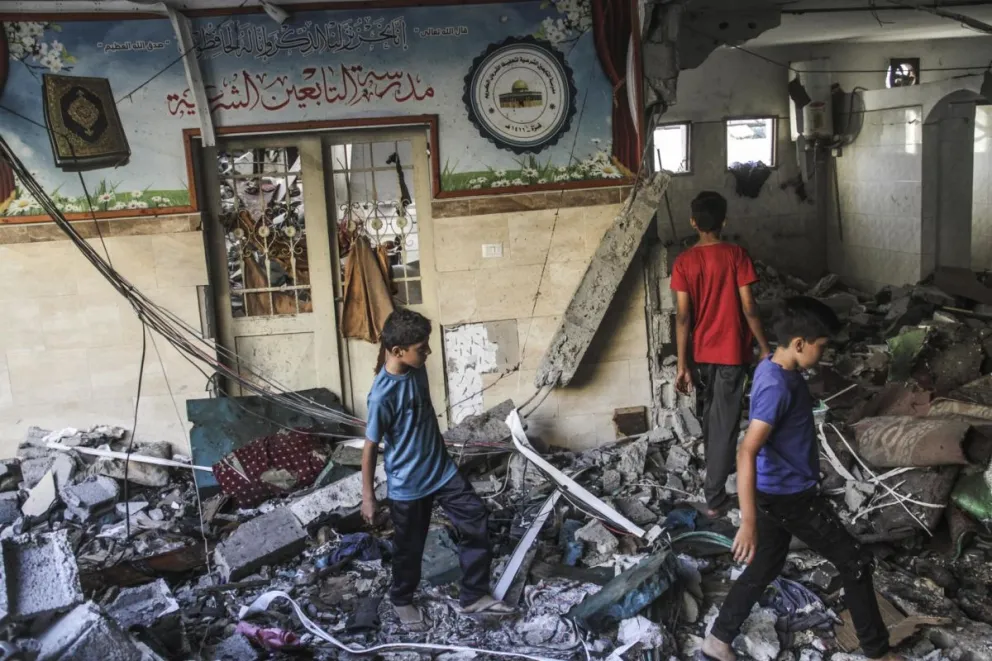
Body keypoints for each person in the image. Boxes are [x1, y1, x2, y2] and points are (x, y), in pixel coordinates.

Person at [702, 297, 902, 661]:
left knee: (766, 564)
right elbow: (746, 451)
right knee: (854, 561)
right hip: (789, 498)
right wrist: (748, 521)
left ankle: (718, 640)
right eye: (820, 347)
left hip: (776, 490)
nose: (823, 355)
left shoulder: (772, 364)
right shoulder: (777, 387)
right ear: (798, 344)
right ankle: (878, 653)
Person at [360, 308, 513, 628]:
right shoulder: (381, 396)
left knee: (475, 517)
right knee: (409, 548)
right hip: (408, 484)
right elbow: (370, 447)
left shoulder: (416, 368)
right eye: (421, 348)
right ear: (397, 351)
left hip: (442, 471)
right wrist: (368, 497)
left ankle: (473, 595)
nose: (428, 352)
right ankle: (402, 599)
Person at [671, 191, 771, 517]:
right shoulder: (736, 255)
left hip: (701, 354)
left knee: (712, 418)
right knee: (724, 422)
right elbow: (749, 306)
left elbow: (683, 316)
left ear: (693, 222)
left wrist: (683, 364)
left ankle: (715, 477)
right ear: (724, 221)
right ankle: (714, 498)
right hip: (731, 352)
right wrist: (764, 347)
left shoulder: (684, 262)